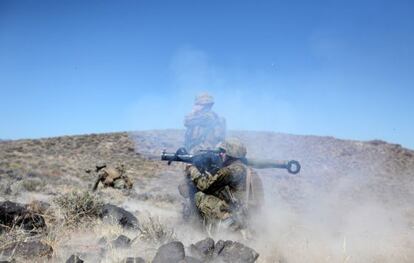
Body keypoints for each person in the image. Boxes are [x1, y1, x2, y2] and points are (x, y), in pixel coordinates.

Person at [185, 138, 264, 235]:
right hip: (249, 218)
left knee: (199, 196)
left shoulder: (229, 171)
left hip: (236, 219)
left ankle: (206, 232)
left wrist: (192, 169)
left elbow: (205, 186)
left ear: (230, 154)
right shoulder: (250, 171)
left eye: (223, 152)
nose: (220, 154)